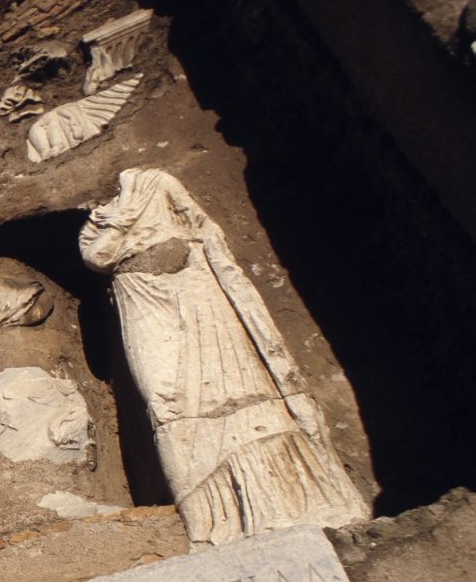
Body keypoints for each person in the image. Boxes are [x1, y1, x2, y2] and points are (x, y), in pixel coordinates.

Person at [79, 168, 368, 547]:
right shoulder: (95, 223)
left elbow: (202, 227)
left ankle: (296, 501)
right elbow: (97, 257)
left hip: (198, 294)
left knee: (242, 385)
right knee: (165, 398)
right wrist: (128, 215)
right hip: (141, 303)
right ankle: (210, 522)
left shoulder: (155, 181)